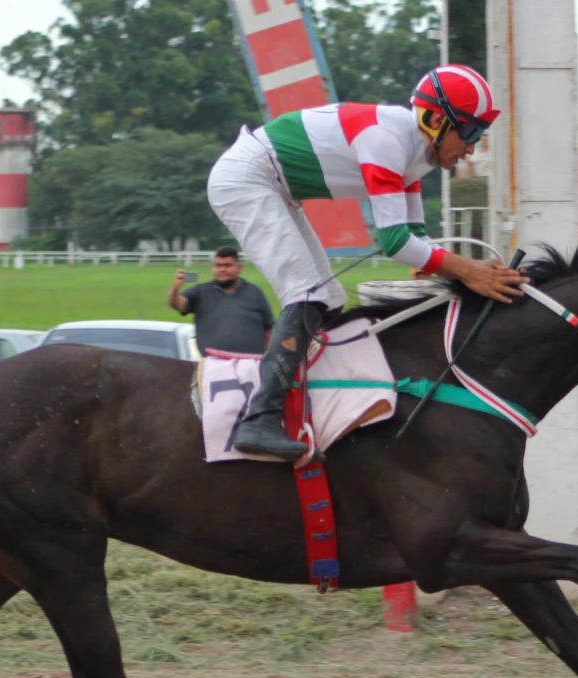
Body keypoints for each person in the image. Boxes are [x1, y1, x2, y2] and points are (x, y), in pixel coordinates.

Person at [207, 64, 529, 460]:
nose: (472, 148)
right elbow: (394, 242)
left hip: (274, 185)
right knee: (307, 295)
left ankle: (311, 398)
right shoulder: (387, 139)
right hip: (246, 180)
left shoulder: (418, 153)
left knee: (328, 298)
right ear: (435, 119)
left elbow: (416, 240)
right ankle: (259, 421)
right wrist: (468, 271)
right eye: (471, 132)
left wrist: (475, 274)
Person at [167, 246, 274, 356]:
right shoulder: (201, 292)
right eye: (218, 265)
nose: (222, 269)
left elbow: (269, 328)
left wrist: (268, 357)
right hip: (214, 363)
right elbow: (177, 304)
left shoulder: (254, 292)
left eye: (227, 265)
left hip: (250, 362)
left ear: (239, 268)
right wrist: (175, 288)